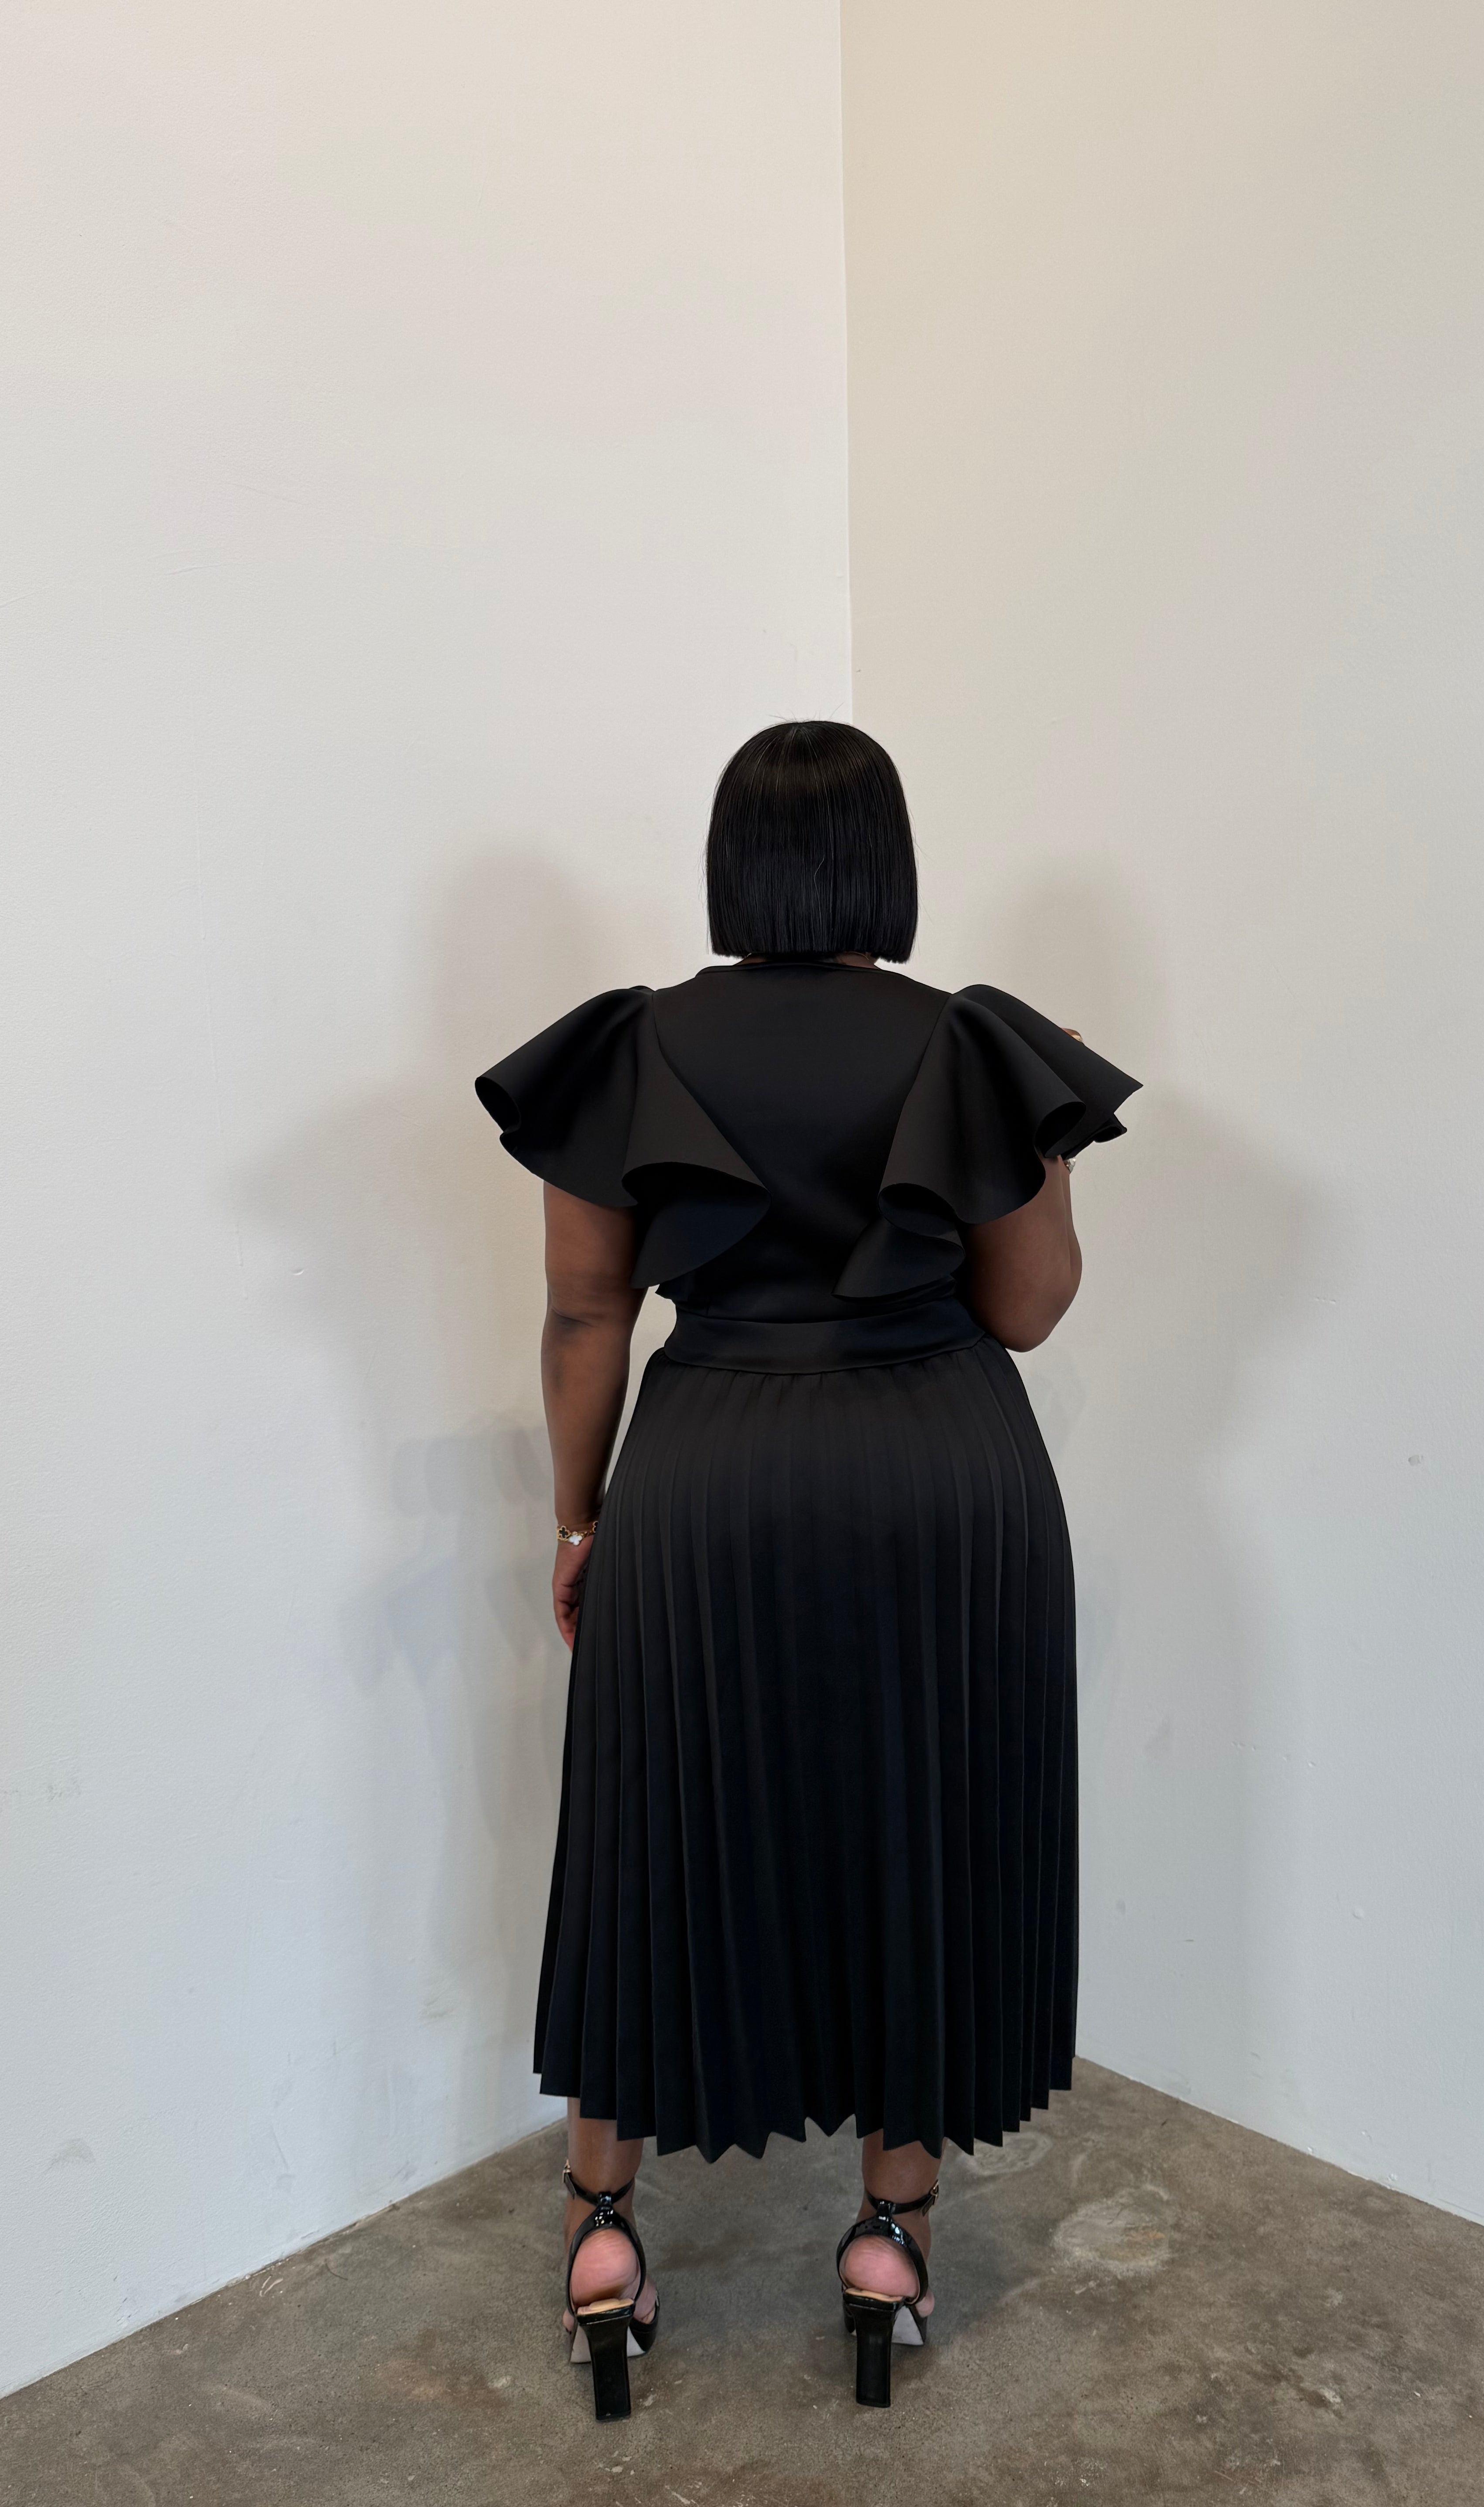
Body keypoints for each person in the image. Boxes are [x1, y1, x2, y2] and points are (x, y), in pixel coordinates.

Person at [475, 721, 1137, 2418]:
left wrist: (579, 1520)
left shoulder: (633, 1047)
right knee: (922, 1825)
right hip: (940, 1476)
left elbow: (583, 1314)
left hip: (708, 1471)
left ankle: (604, 2235)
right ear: (886, 863)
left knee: (653, 1832)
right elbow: (1027, 1309)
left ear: (733, 862)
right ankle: (888, 2242)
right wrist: (1033, 1150)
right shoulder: (970, 1044)